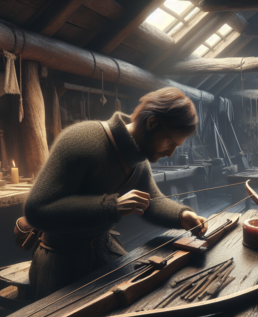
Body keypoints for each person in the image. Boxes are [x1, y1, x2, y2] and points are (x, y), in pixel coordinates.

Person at [23, 87, 208, 298]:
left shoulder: (138, 160)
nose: (170, 152)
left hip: (102, 252)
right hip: (60, 262)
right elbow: (37, 210)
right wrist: (111, 206)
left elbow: (152, 200)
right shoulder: (81, 139)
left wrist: (182, 215)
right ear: (152, 123)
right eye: (170, 142)